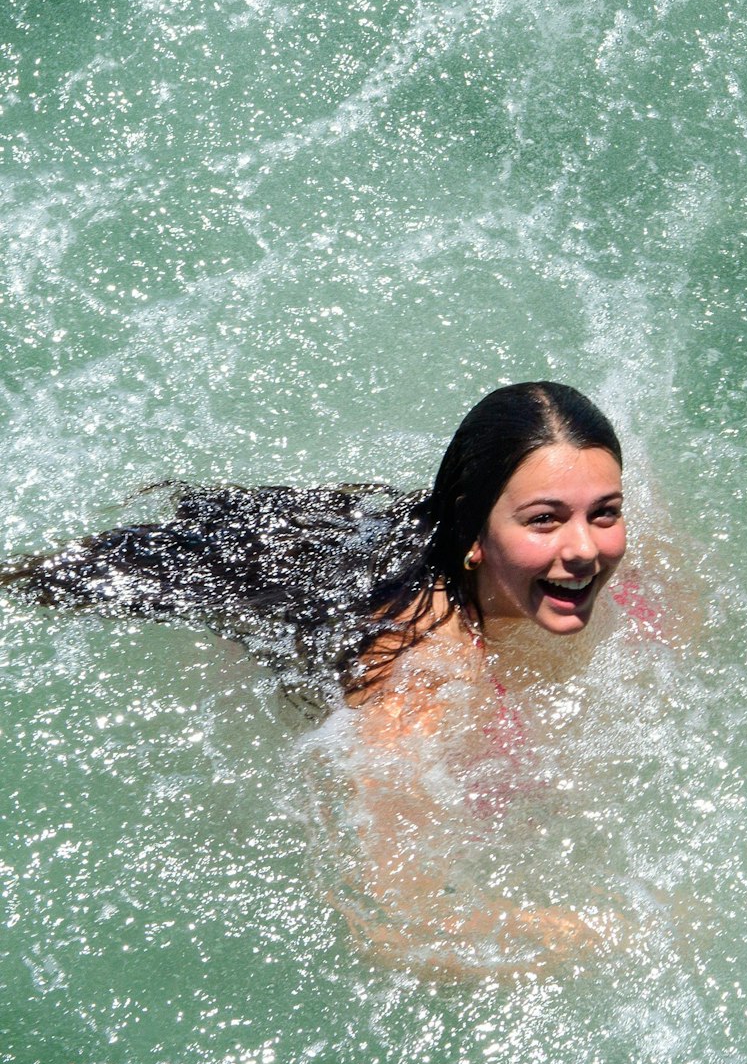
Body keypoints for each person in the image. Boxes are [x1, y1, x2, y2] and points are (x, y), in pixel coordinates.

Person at [3, 381, 700, 977]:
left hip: (351, 537)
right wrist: (606, 934)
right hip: (253, 587)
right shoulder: (423, 679)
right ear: (475, 533)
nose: (584, 548)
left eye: (604, 512)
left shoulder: (568, 557)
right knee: (35, 581)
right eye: (544, 519)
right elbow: (391, 923)